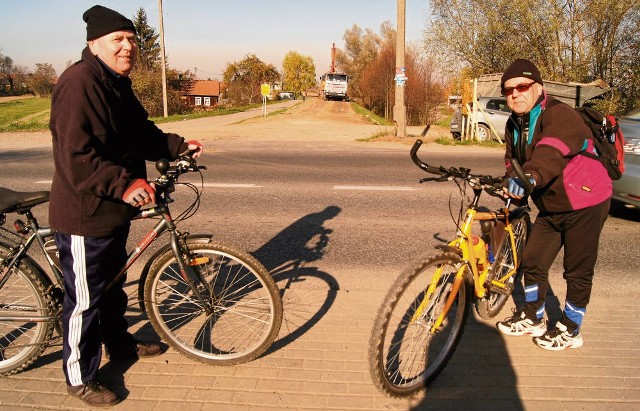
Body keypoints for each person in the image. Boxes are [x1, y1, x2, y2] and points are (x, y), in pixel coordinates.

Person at [49, 5, 202, 406]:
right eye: (117, 39)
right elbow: (76, 157)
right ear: (93, 43)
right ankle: (79, 377)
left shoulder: (116, 83)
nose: (127, 47)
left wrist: (177, 146)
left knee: (112, 287)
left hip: (113, 210)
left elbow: (140, 132)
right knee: (84, 299)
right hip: (85, 212)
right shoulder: (79, 83)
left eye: (132, 39)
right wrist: (125, 183)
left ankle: (120, 345)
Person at [495, 59, 611, 351]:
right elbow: (513, 161)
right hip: (552, 204)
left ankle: (571, 330)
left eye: (522, 87)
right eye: (509, 90)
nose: (515, 94)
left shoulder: (560, 115)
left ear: (538, 88)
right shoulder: (514, 124)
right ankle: (532, 317)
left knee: (577, 270)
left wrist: (529, 178)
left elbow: (550, 153)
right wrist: (511, 182)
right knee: (533, 261)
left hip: (586, 201)